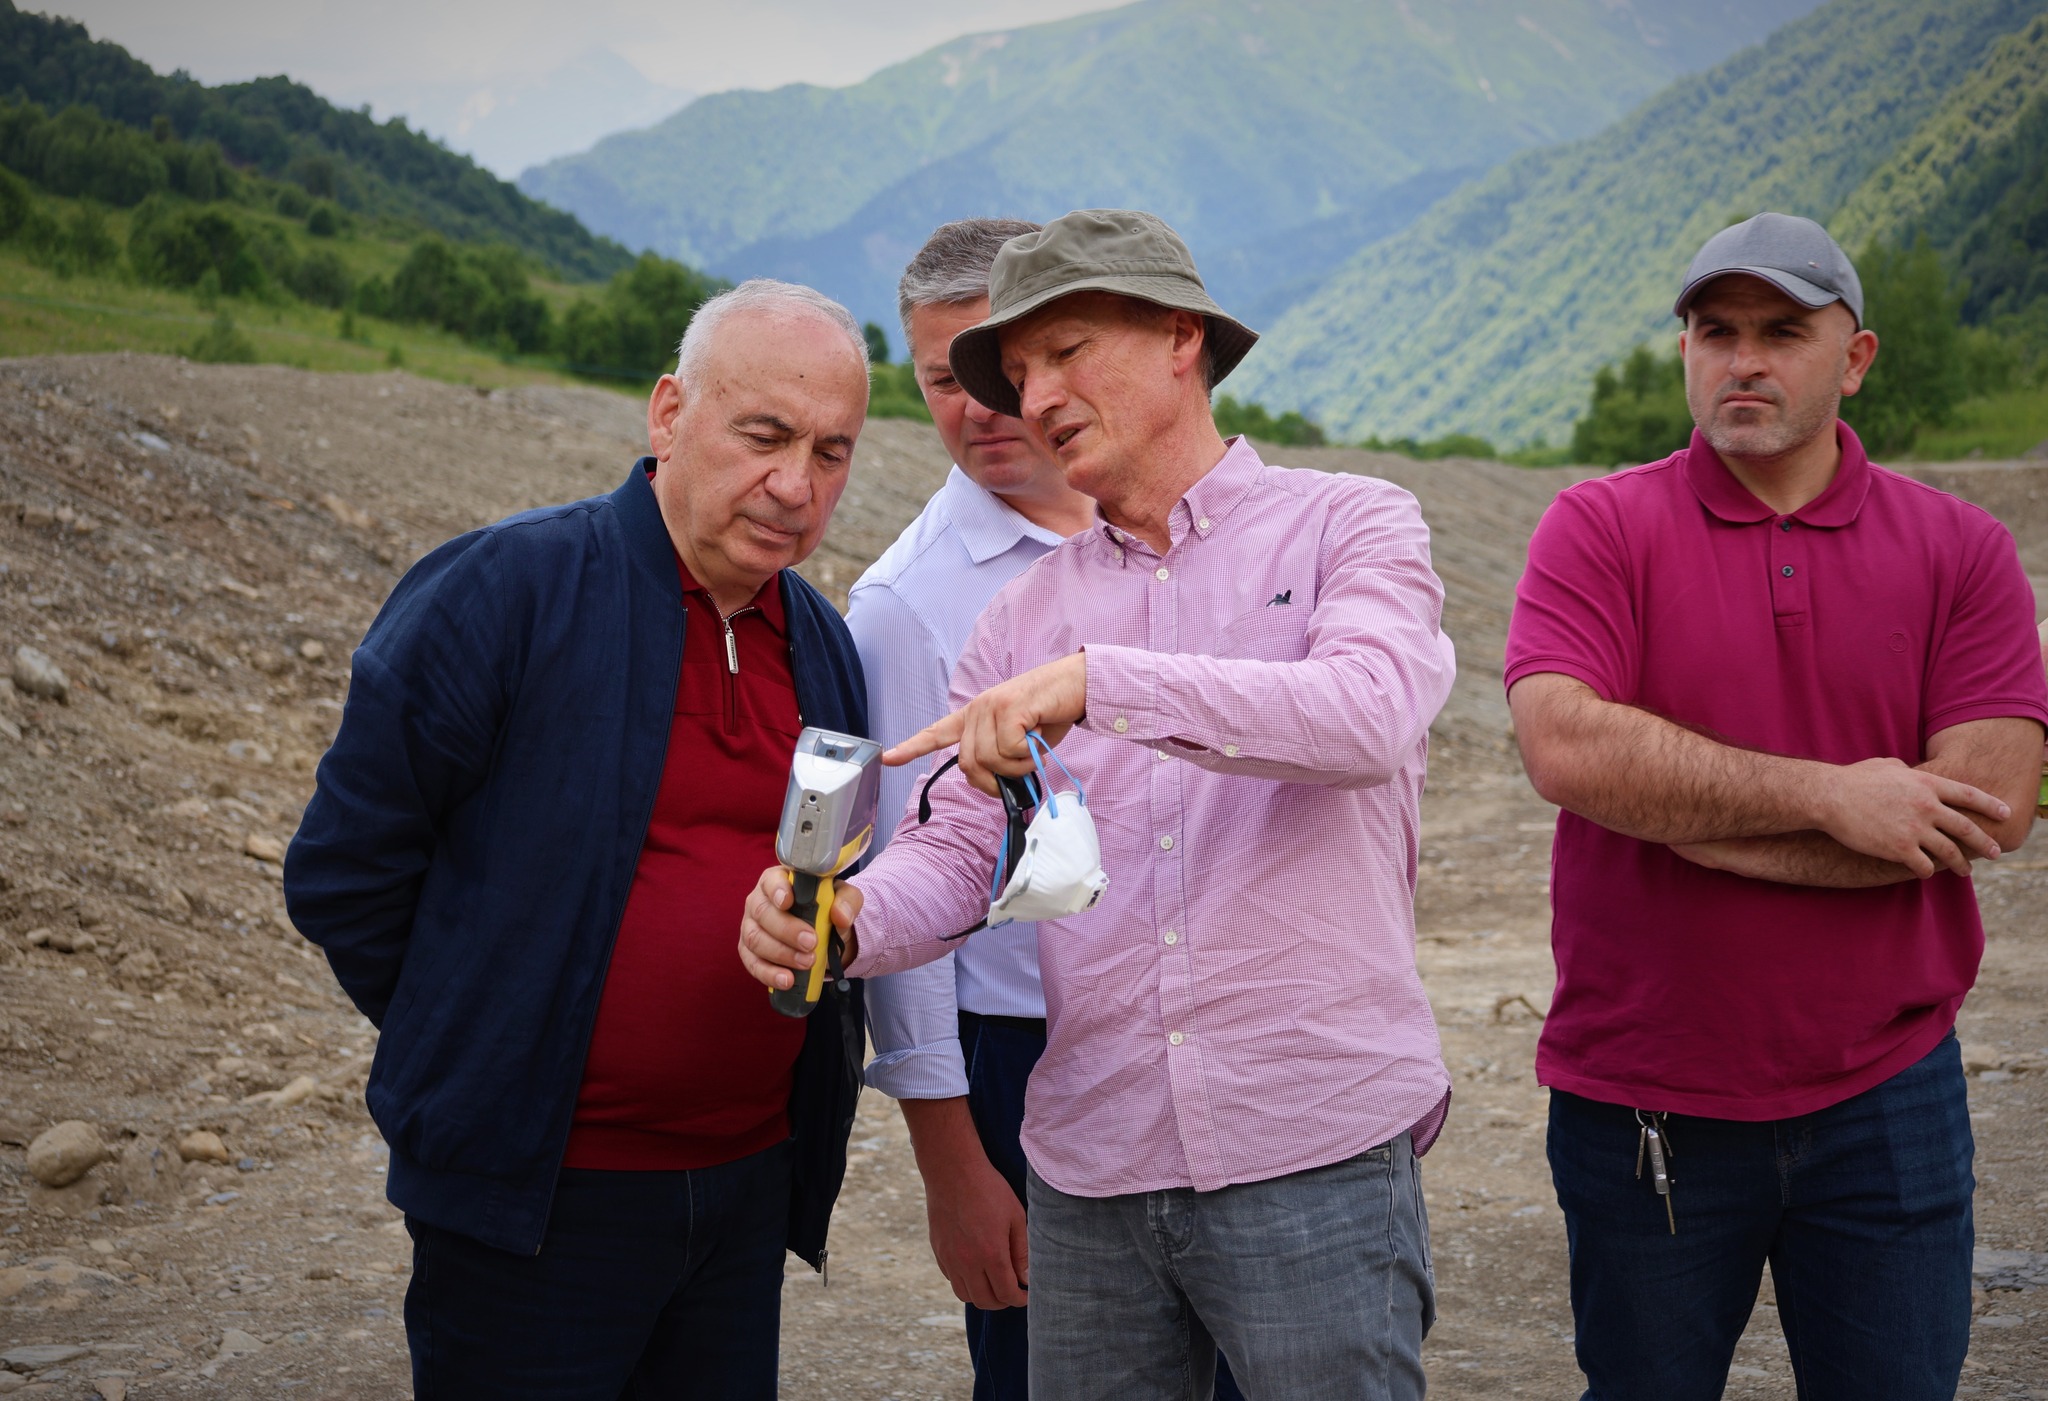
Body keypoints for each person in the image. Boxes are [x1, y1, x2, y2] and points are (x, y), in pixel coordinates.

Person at [743, 208, 1455, 1399]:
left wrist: (1102, 683)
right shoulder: (1016, 620)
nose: (1033, 397)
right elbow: (959, 851)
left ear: (1181, 338)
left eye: (1064, 352)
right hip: (1090, 1167)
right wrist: (848, 919)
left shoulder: (1350, 522)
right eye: (1016, 372)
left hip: (1312, 1149)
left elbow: (1366, 715)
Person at [285, 279, 875, 1400]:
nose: (796, 485)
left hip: (745, 1187)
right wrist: (490, 1042)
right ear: (669, 414)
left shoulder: (821, 643)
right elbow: (345, 872)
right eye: (764, 436)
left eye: (831, 452)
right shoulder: (506, 590)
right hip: (540, 1202)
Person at [1504, 213, 2048, 1399]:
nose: (1741, 361)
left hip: (1887, 1093)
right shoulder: (1597, 527)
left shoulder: (1960, 549)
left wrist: (1683, 819)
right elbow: (1563, 748)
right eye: (1715, 332)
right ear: (1685, 351)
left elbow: (1987, 809)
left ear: (1852, 359)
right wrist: (1833, 799)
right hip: (1640, 1096)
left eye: (1779, 334)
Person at [849, 219, 1248, 1401]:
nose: (985, 405)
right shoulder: (905, 603)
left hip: (1214, 1024)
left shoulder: (1187, 533)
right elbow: (917, 869)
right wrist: (952, 1164)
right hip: (1024, 1048)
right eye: (944, 378)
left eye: (1013, 367)